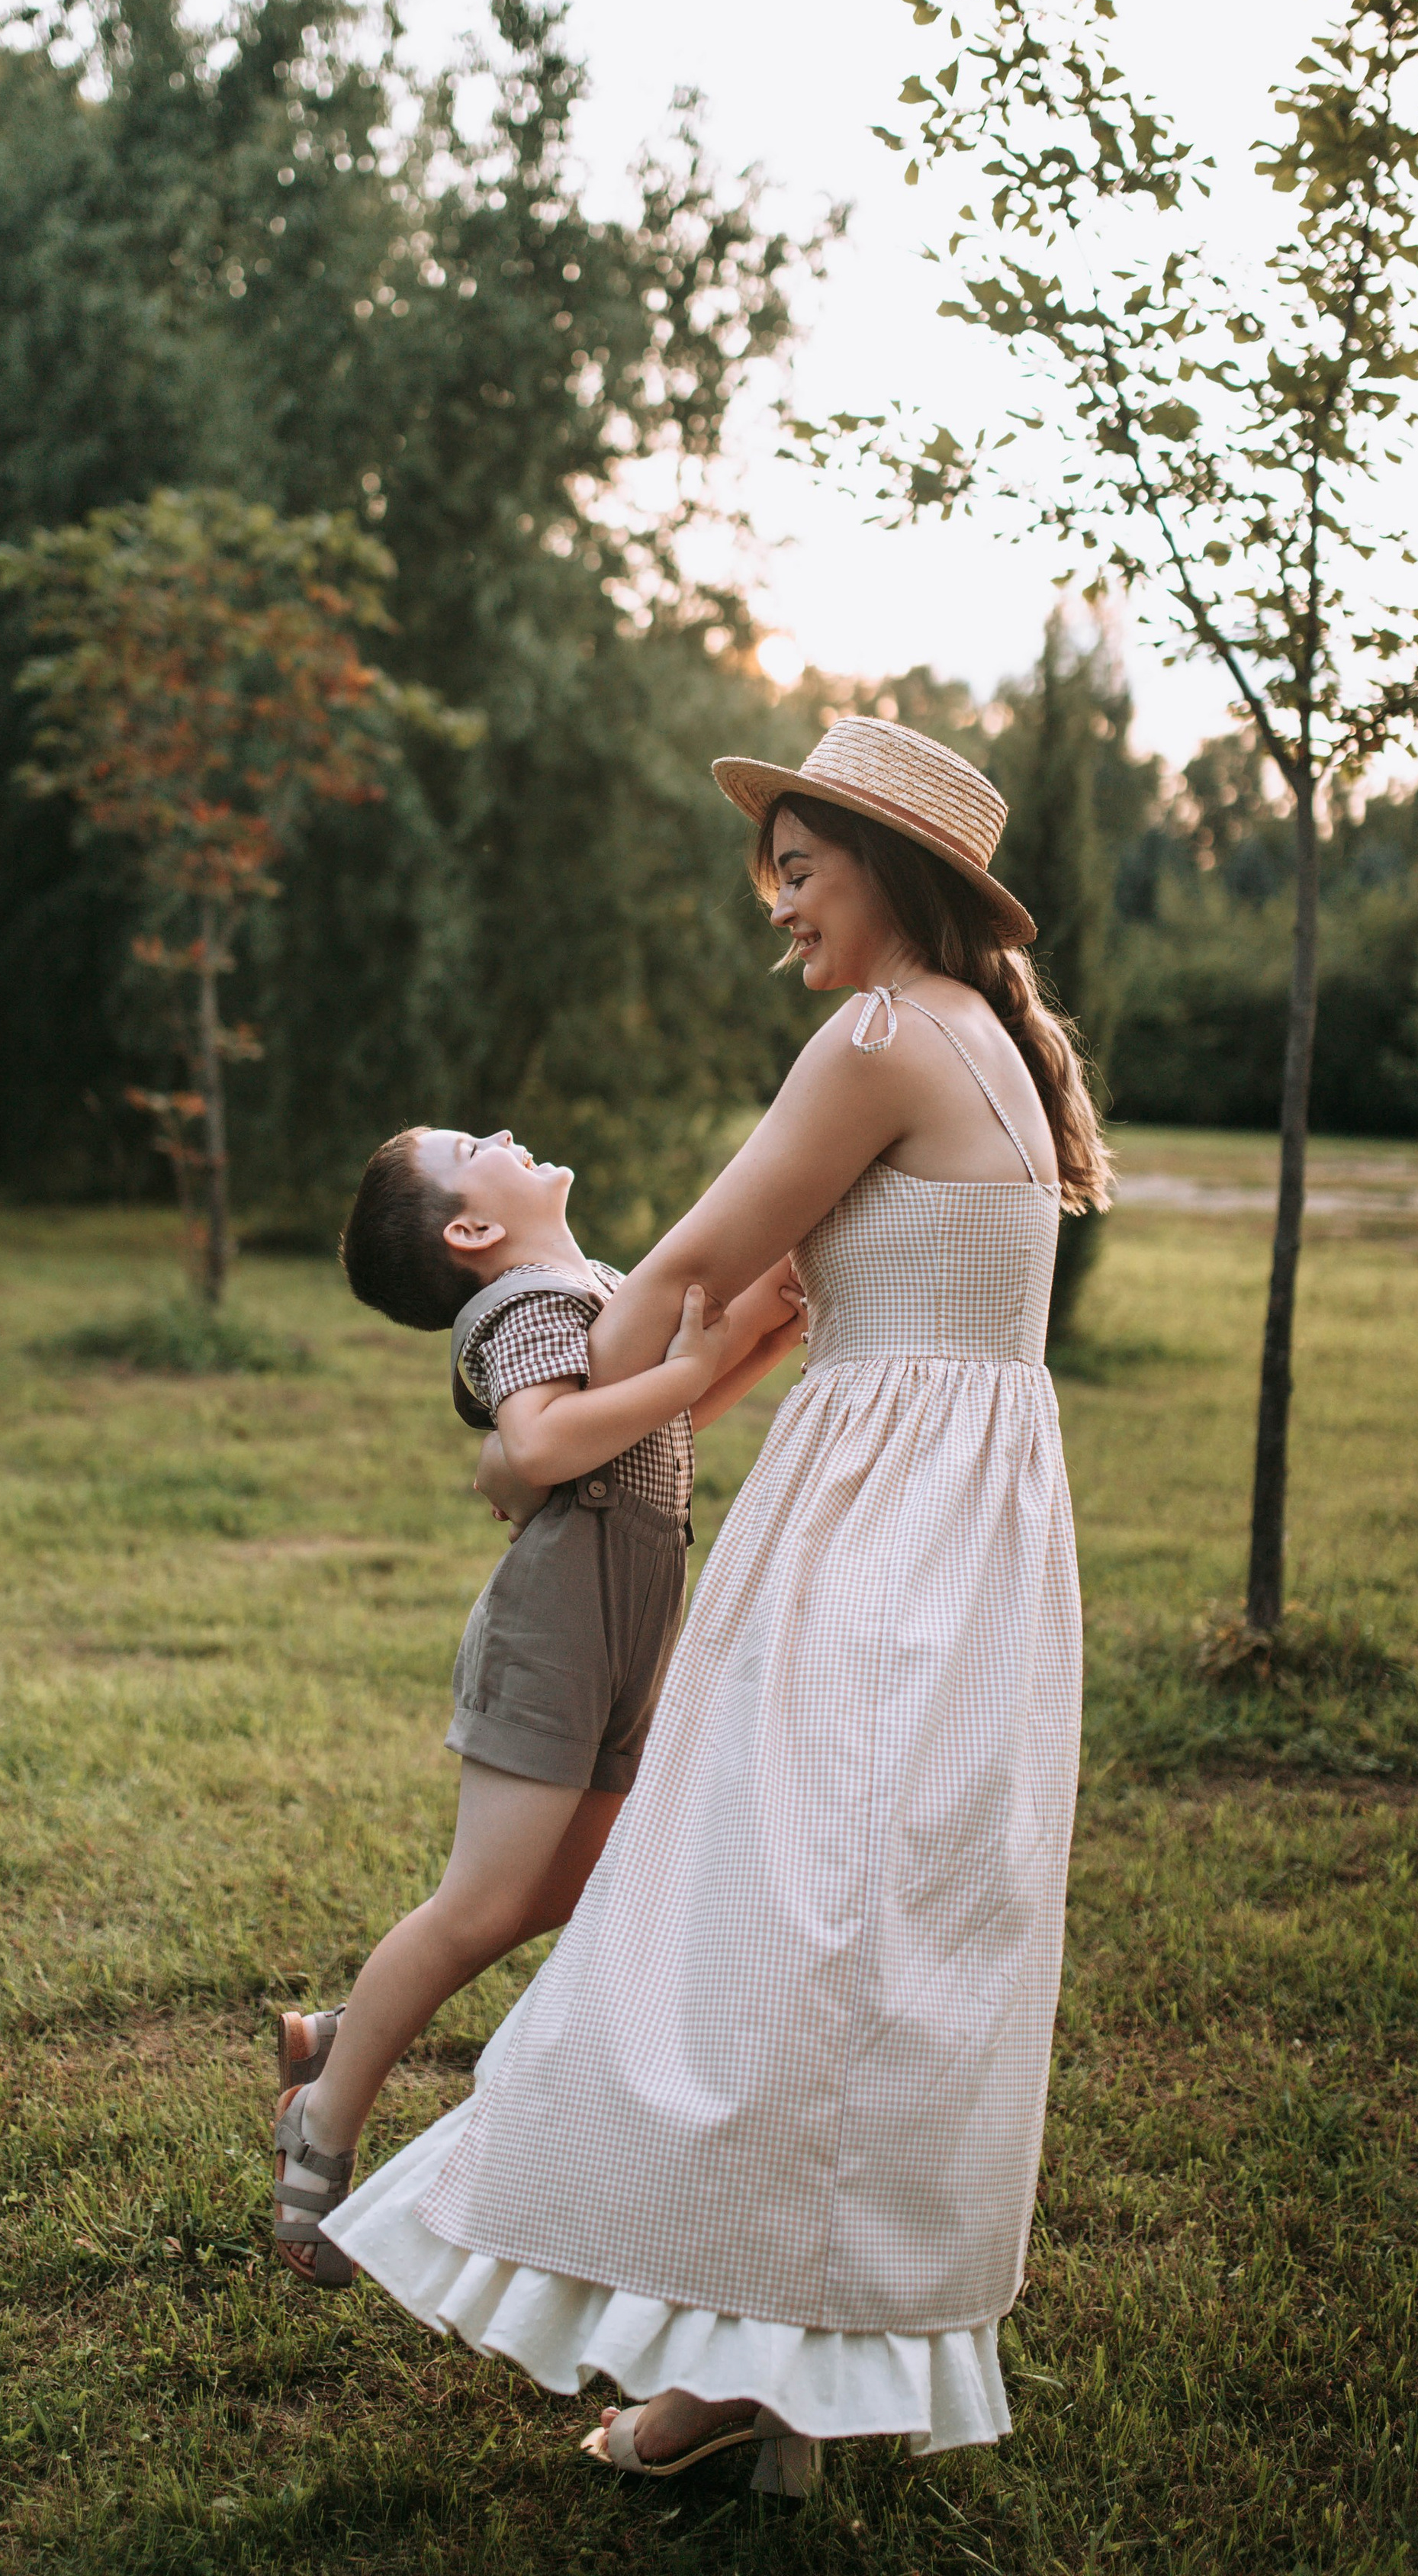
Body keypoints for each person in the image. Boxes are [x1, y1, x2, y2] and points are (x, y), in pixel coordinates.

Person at [320, 715, 1108, 2498]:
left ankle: (730, 2354)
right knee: (869, 1943)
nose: (780, 910)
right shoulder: (985, 1038)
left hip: (876, 1535)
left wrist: (535, 1422)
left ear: (884, 874)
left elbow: (686, 1264)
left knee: (746, 1924)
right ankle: (792, 2363)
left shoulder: (879, 1035)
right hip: (968, 1537)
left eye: (799, 873)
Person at [272, 1120, 804, 2286]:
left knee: (584, 1885)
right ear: (471, 1230)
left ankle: (351, 2030)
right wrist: (684, 1370)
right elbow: (544, 1442)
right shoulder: (519, 1309)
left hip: (627, 1629)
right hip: (558, 1633)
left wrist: (763, 1336)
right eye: (474, 1143)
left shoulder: (592, 1288)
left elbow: (661, 1422)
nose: (505, 1132)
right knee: (481, 1904)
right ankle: (320, 2123)